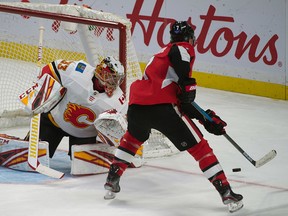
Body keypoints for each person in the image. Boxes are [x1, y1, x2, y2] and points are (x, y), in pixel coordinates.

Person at [104, 21, 243, 213]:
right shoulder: (181, 48)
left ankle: (112, 180)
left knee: (132, 139)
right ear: (189, 39)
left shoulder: (160, 56)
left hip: (137, 106)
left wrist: (206, 119)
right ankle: (226, 191)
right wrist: (188, 84)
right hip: (163, 108)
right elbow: (181, 80)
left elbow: (182, 100)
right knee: (201, 148)